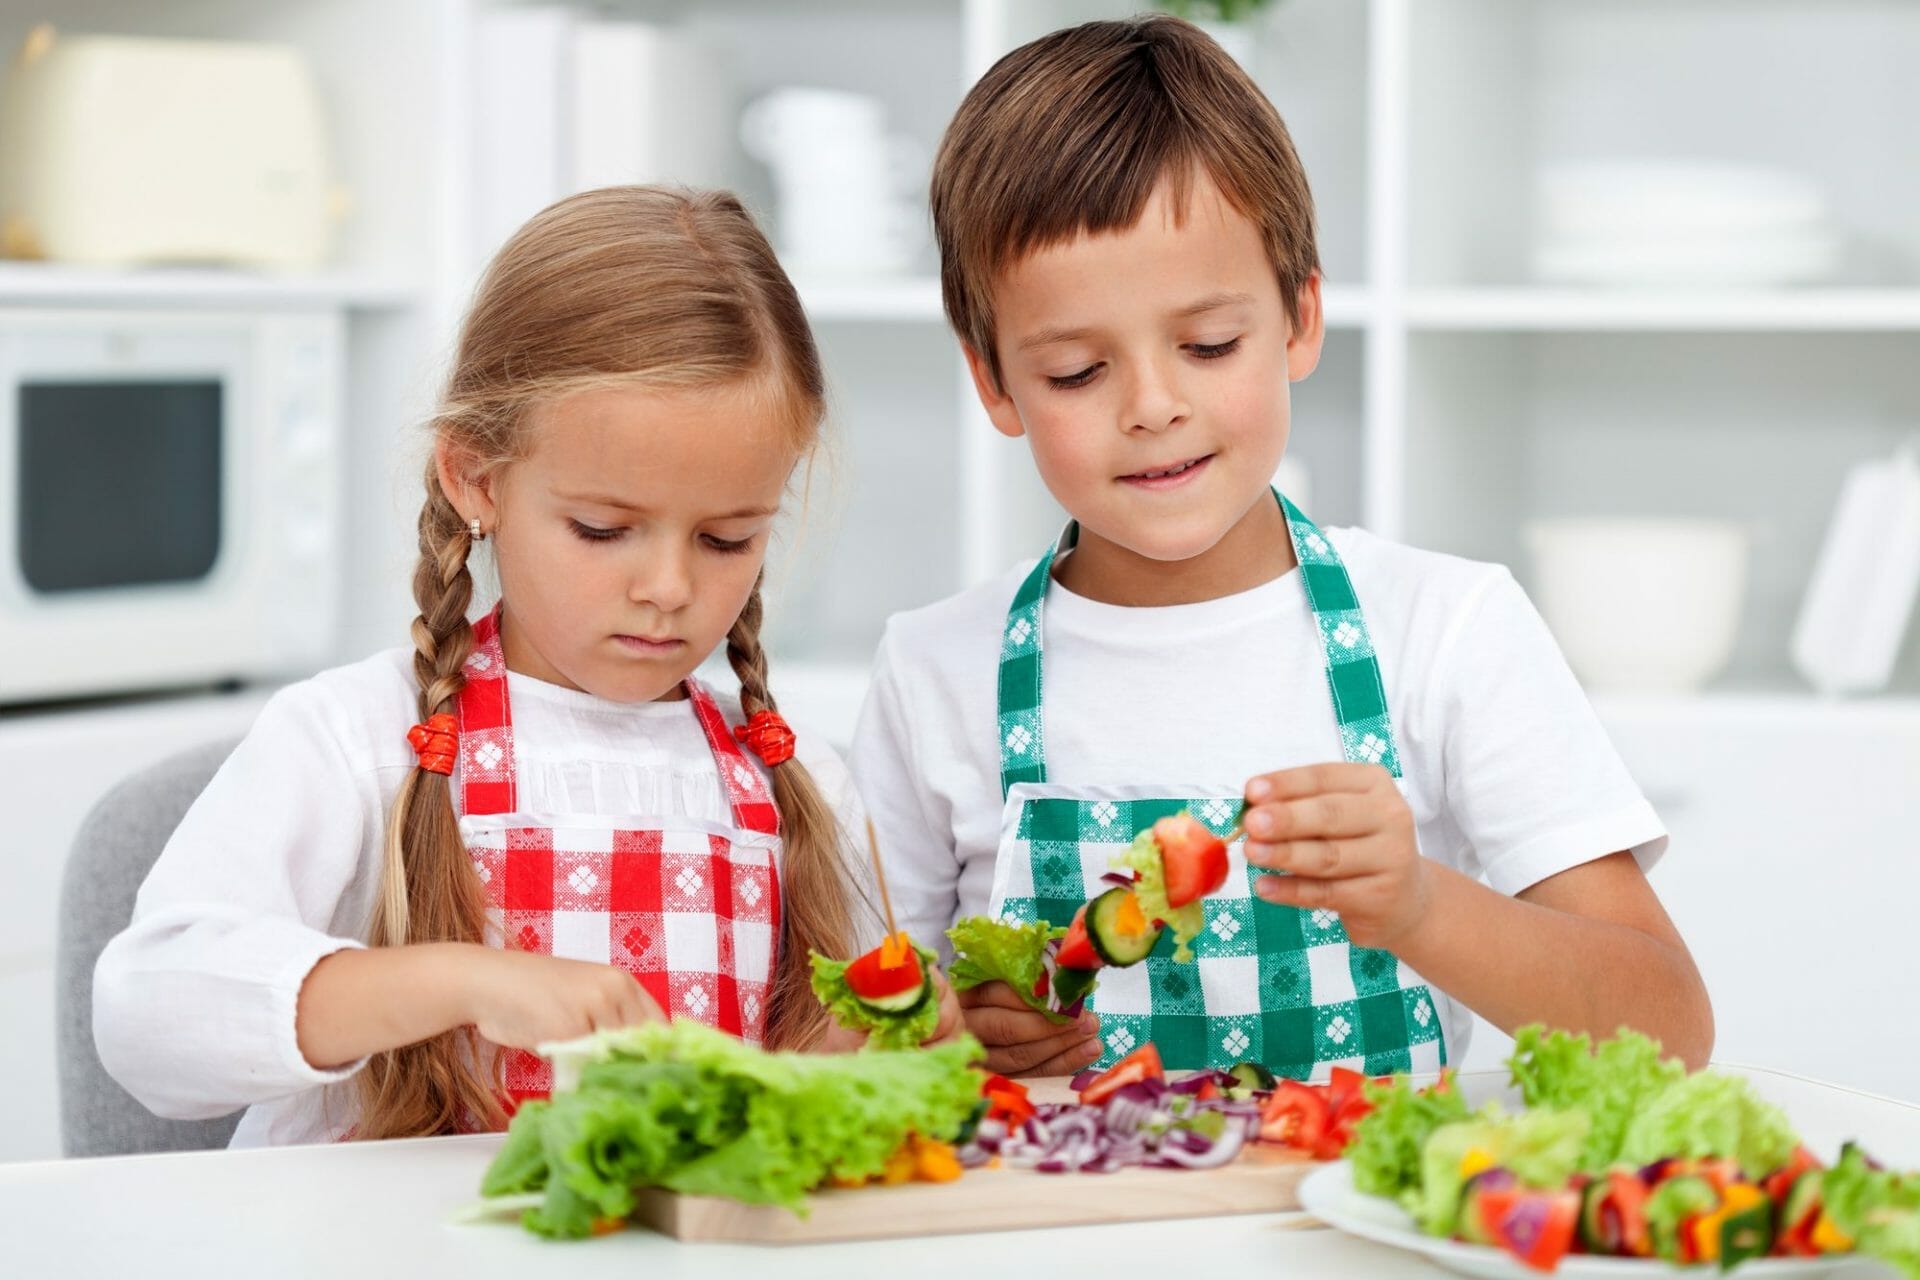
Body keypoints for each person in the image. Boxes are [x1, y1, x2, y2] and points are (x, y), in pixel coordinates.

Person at [852, 17, 1712, 1082]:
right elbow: (851, 1023)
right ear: (994, 381)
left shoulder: (1446, 628)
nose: (1154, 406)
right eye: (1077, 369)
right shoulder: (935, 669)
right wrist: (957, 1034)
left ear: (1302, 319)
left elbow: (1669, 1024)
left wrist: (1422, 904)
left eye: (1209, 345)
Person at [95, 186, 957, 1145]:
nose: (668, 586)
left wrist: (886, 1048)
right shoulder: (357, 741)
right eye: (602, 528)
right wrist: (456, 982)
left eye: (725, 539)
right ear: (477, 479)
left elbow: (863, 1063)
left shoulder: (797, 780)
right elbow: (147, 1016)